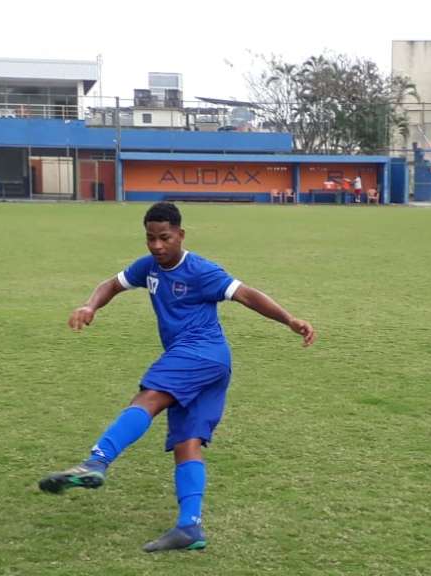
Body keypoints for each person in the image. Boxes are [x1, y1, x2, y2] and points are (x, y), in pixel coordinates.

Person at [39, 201, 316, 552]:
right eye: (151, 238)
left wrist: (289, 319)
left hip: (201, 353)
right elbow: (111, 284)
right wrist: (90, 306)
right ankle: (189, 528)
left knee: (148, 397)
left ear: (180, 235)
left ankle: (97, 461)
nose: (157, 246)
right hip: (211, 366)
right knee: (187, 442)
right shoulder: (149, 268)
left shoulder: (201, 270)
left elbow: (246, 294)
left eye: (165, 238)